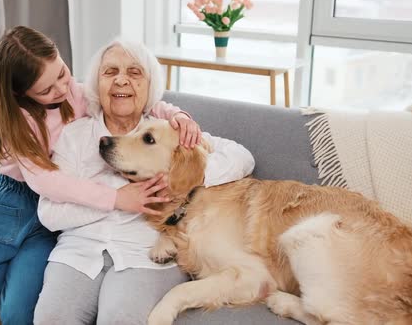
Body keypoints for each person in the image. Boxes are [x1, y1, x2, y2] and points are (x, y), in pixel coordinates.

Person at [0, 26, 202, 325]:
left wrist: (177, 116)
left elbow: (138, 99)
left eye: (62, 73)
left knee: (19, 311)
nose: (61, 88)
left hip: (46, 222)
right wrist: (115, 198)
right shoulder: (22, 125)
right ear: (21, 93)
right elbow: (48, 183)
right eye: (46, 90)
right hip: (11, 203)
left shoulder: (77, 94)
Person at [33, 39, 255, 324]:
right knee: (51, 318)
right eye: (110, 72)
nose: (122, 80)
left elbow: (242, 157)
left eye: (135, 73)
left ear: (150, 86)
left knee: (120, 318)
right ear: (95, 85)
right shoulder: (74, 137)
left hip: (146, 253)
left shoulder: (168, 131)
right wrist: (117, 197)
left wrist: (181, 177)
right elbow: (49, 214)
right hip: (79, 251)